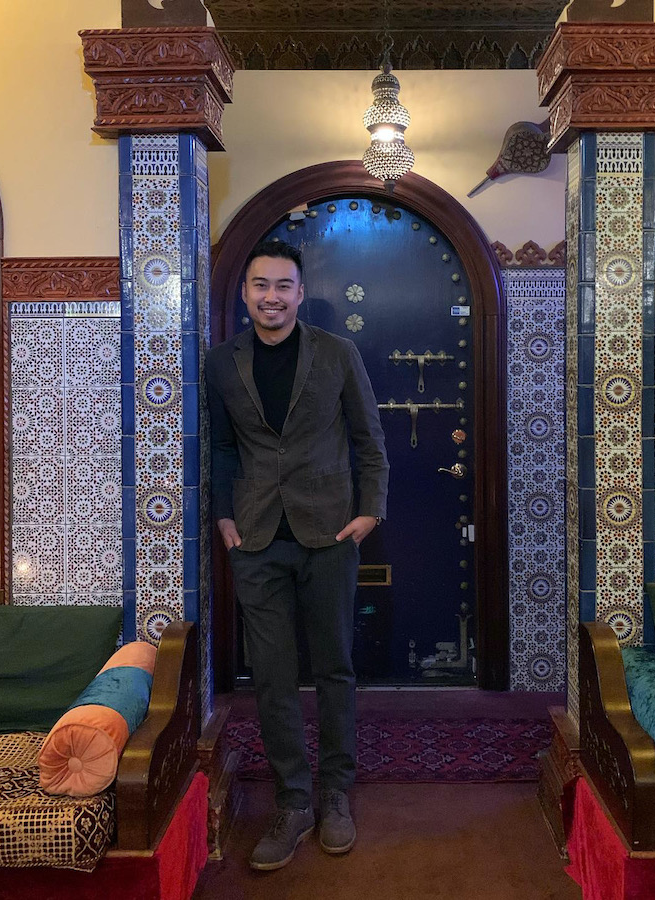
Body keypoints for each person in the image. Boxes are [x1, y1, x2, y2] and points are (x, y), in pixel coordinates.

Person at [206, 240, 389, 870]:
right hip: (255, 540)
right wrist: (223, 517)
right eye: (261, 285)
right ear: (245, 293)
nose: (272, 297)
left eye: (283, 285)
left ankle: (336, 792)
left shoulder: (337, 354)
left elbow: (368, 437)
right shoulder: (221, 363)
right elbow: (222, 447)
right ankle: (293, 801)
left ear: (301, 293)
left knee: (334, 667)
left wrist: (370, 510)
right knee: (272, 675)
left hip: (330, 534)